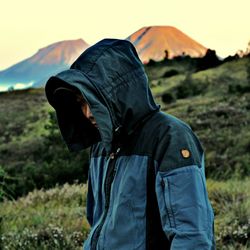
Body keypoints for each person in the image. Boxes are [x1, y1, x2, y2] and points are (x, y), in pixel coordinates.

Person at [45, 39, 215, 250]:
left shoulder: (169, 137)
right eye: (81, 103)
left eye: (93, 101)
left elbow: (192, 237)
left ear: (119, 95)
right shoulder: (101, 144)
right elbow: (97, 222)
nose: (88, 113)